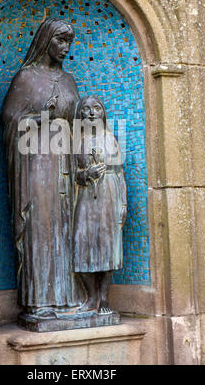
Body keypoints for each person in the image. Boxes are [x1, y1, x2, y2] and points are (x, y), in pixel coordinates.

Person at [0, 18, 83, 318]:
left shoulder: (69, 80)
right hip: (36, 164)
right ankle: (40, 300)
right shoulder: (26, 77)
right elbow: (10, 122)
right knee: (41, 227)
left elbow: (80, 121)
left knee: (66, 226)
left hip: (66, 164)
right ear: (46, 40)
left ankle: (68, 297)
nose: (65, 48)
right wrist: (39, 118)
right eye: (60, 41)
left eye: (69, 42)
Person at [73, 95, 127, 314]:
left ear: (103, 113)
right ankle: (91, 297)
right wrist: (86, 173)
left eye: (96, 108)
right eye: (86, 109)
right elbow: (69, 176)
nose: (92, 113)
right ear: (80, 114)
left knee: (108, 246)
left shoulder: (111, 139)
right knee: (80, 244)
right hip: (85, 198)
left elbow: (120, 173)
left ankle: (104, 298)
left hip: (109, 196)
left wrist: (123, 204)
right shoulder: (74, 141)